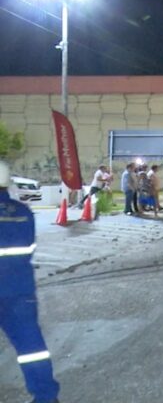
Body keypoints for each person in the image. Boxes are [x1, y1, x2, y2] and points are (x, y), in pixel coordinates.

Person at [0, 161, 62, 403]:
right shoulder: (23, 212)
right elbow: (29, 248)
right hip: (20, 290)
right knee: (32, 349)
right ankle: (46, 397)